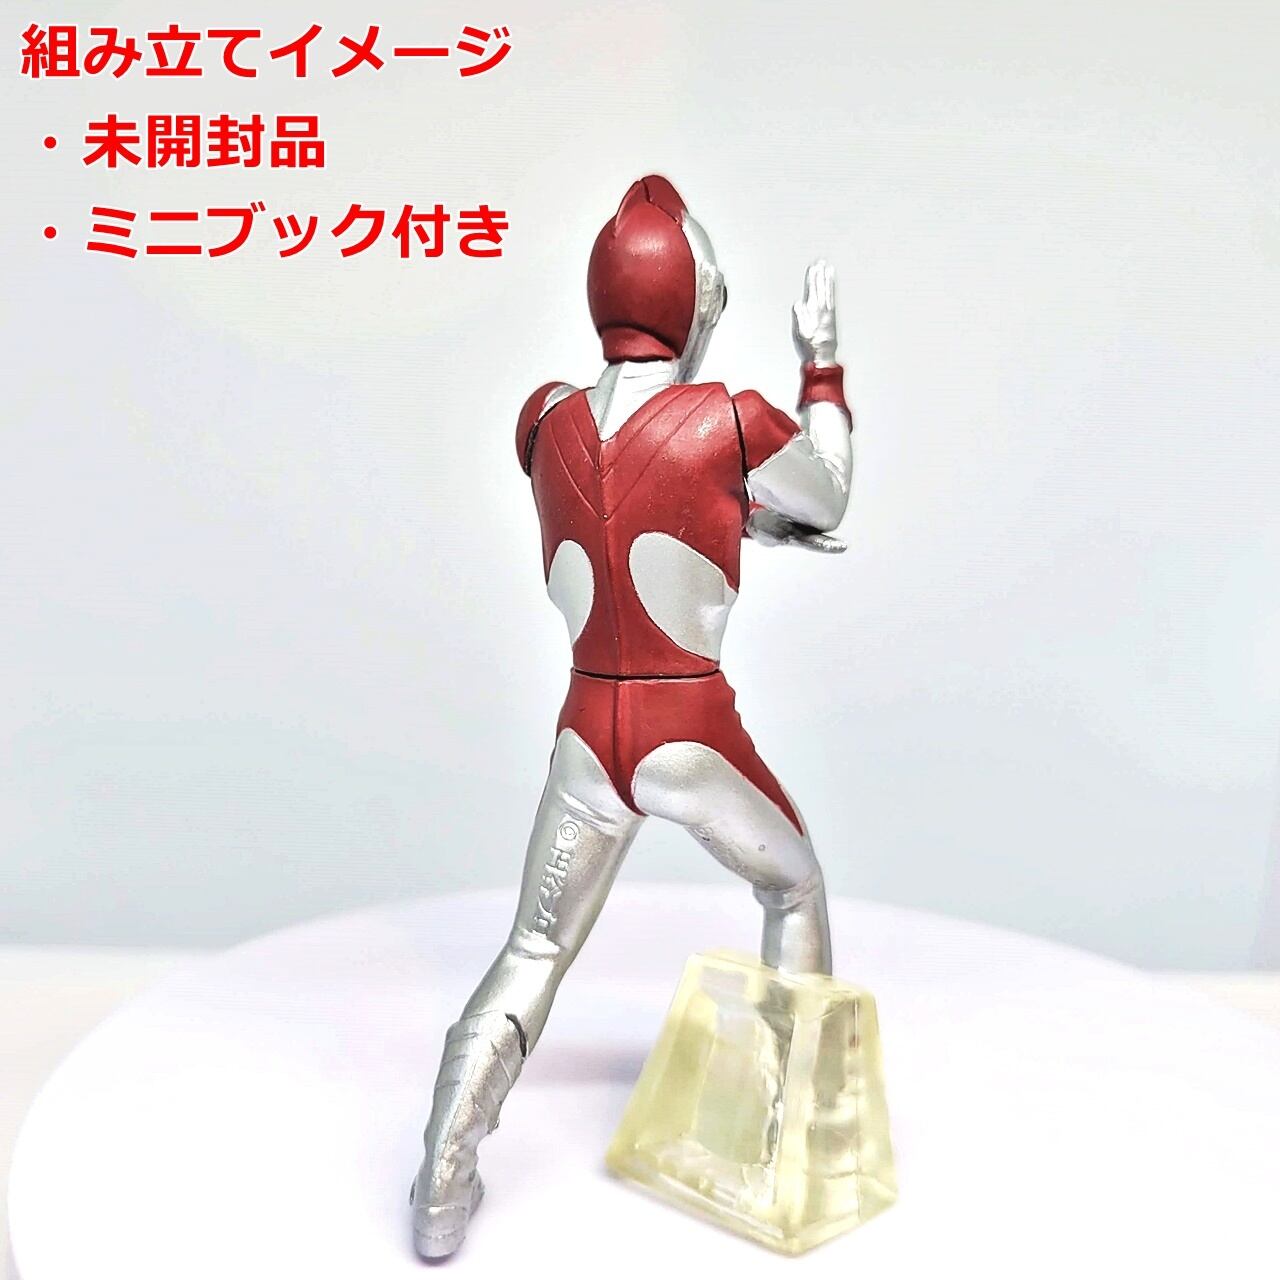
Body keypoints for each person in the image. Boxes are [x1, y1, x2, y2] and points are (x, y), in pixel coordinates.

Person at [411, 174, 855, 1259]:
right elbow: (828, 491)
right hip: (685, 726)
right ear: (694, 301)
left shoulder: (543, 418)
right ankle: (786, 1141)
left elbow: (619, 501)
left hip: (585, 732)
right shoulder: (733, 419)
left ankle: (439, 1181)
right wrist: (822, 365)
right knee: (792, 883)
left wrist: (738, 518)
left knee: (532, 945)